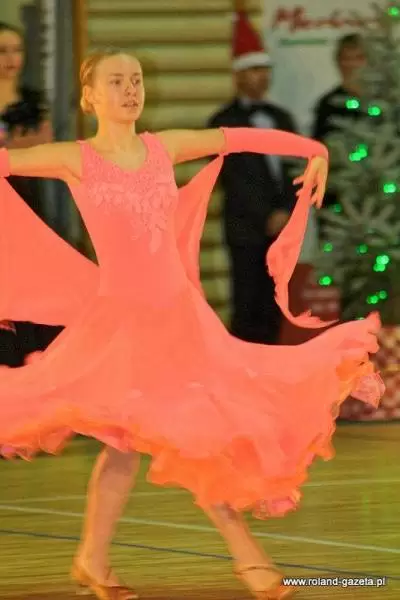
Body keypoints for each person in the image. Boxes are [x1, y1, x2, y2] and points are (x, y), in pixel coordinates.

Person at [0, 50, 384, 600]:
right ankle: (249, 561)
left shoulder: (166, 147)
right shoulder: (74, 158)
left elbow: (242, 139)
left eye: (135, 80)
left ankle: (92, 559)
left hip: (180, 321)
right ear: (90, 96)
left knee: (136, 446)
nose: (130, 89)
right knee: (179, 441)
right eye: (116, 81)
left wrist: (315, 150)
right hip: (123, 329)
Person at [208, 10, 299, 345]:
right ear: (237, 75)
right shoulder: (221, 122)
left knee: (274, 305)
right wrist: (266, 216)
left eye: (264, 70)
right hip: (245, 230)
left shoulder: (283, 118)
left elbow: (296, 169)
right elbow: (233, 179)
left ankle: (271, 367)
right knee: (246, 304)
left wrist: (286, 210)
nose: (260, 77)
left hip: (281, 230)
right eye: (252, 70)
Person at [0, 21, 62, 368]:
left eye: (16, 50)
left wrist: (9, 147)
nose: (11, 59)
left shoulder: (32, 102)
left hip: (25, 200)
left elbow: (45, 146)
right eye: (2, 51)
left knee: (32, 277)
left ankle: (31, 353)